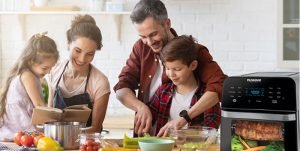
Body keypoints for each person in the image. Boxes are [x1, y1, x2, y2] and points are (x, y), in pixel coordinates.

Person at [114, 0, 227, 136]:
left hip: (188, 141)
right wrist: (140, 107)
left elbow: (219, 85)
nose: (149, 42)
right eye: (143, 37)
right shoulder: (141, 48)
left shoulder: (192, 51)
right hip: (149, 137)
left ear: (167, 23)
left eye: (153, 34)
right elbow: (122, 87)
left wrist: (186, 117)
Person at [47, 14, 110, 133]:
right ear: (68, 44)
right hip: (55, 144)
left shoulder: (100, 82)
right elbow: (50, 118)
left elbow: (95, 129)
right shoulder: (54, 71)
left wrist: (67, 136)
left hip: (86, 146)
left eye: (90, 54)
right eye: (78, 50)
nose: (82, 59)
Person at [148, 35, 221, 137]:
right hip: (164, 150)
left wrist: (182, 133)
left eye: (177, 69)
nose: (171, 74)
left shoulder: (207, 96)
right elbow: (149, 117)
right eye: (167, 68)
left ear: (193, 65)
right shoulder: (163, 91)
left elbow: (211, 129)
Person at [0, 32, 59, 141]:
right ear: (31, 61)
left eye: (51, 68)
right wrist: (58, 118)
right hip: (20, 130)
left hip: (16, 130)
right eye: (45, 68)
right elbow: (39, 105)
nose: (48, 72)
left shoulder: (28, 74)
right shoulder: (28, 76)